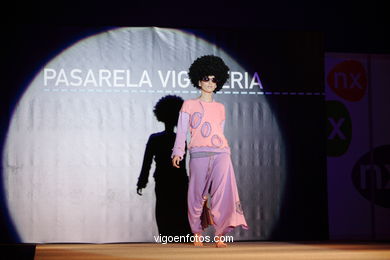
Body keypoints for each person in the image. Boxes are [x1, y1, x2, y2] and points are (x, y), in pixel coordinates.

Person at [171, 55, 248, 248]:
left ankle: (220, 234)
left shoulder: (221, 108)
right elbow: (181, 130)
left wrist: (222, 149)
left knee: (223, 194)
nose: (210, 83)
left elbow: (218, 132)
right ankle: (197, 232)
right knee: (196, 194)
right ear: (198, 80)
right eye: (206, 78)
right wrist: (178, 152)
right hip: (198, 153)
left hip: (221, 153)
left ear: (218, 82)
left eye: (214, 79)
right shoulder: (188, 105)